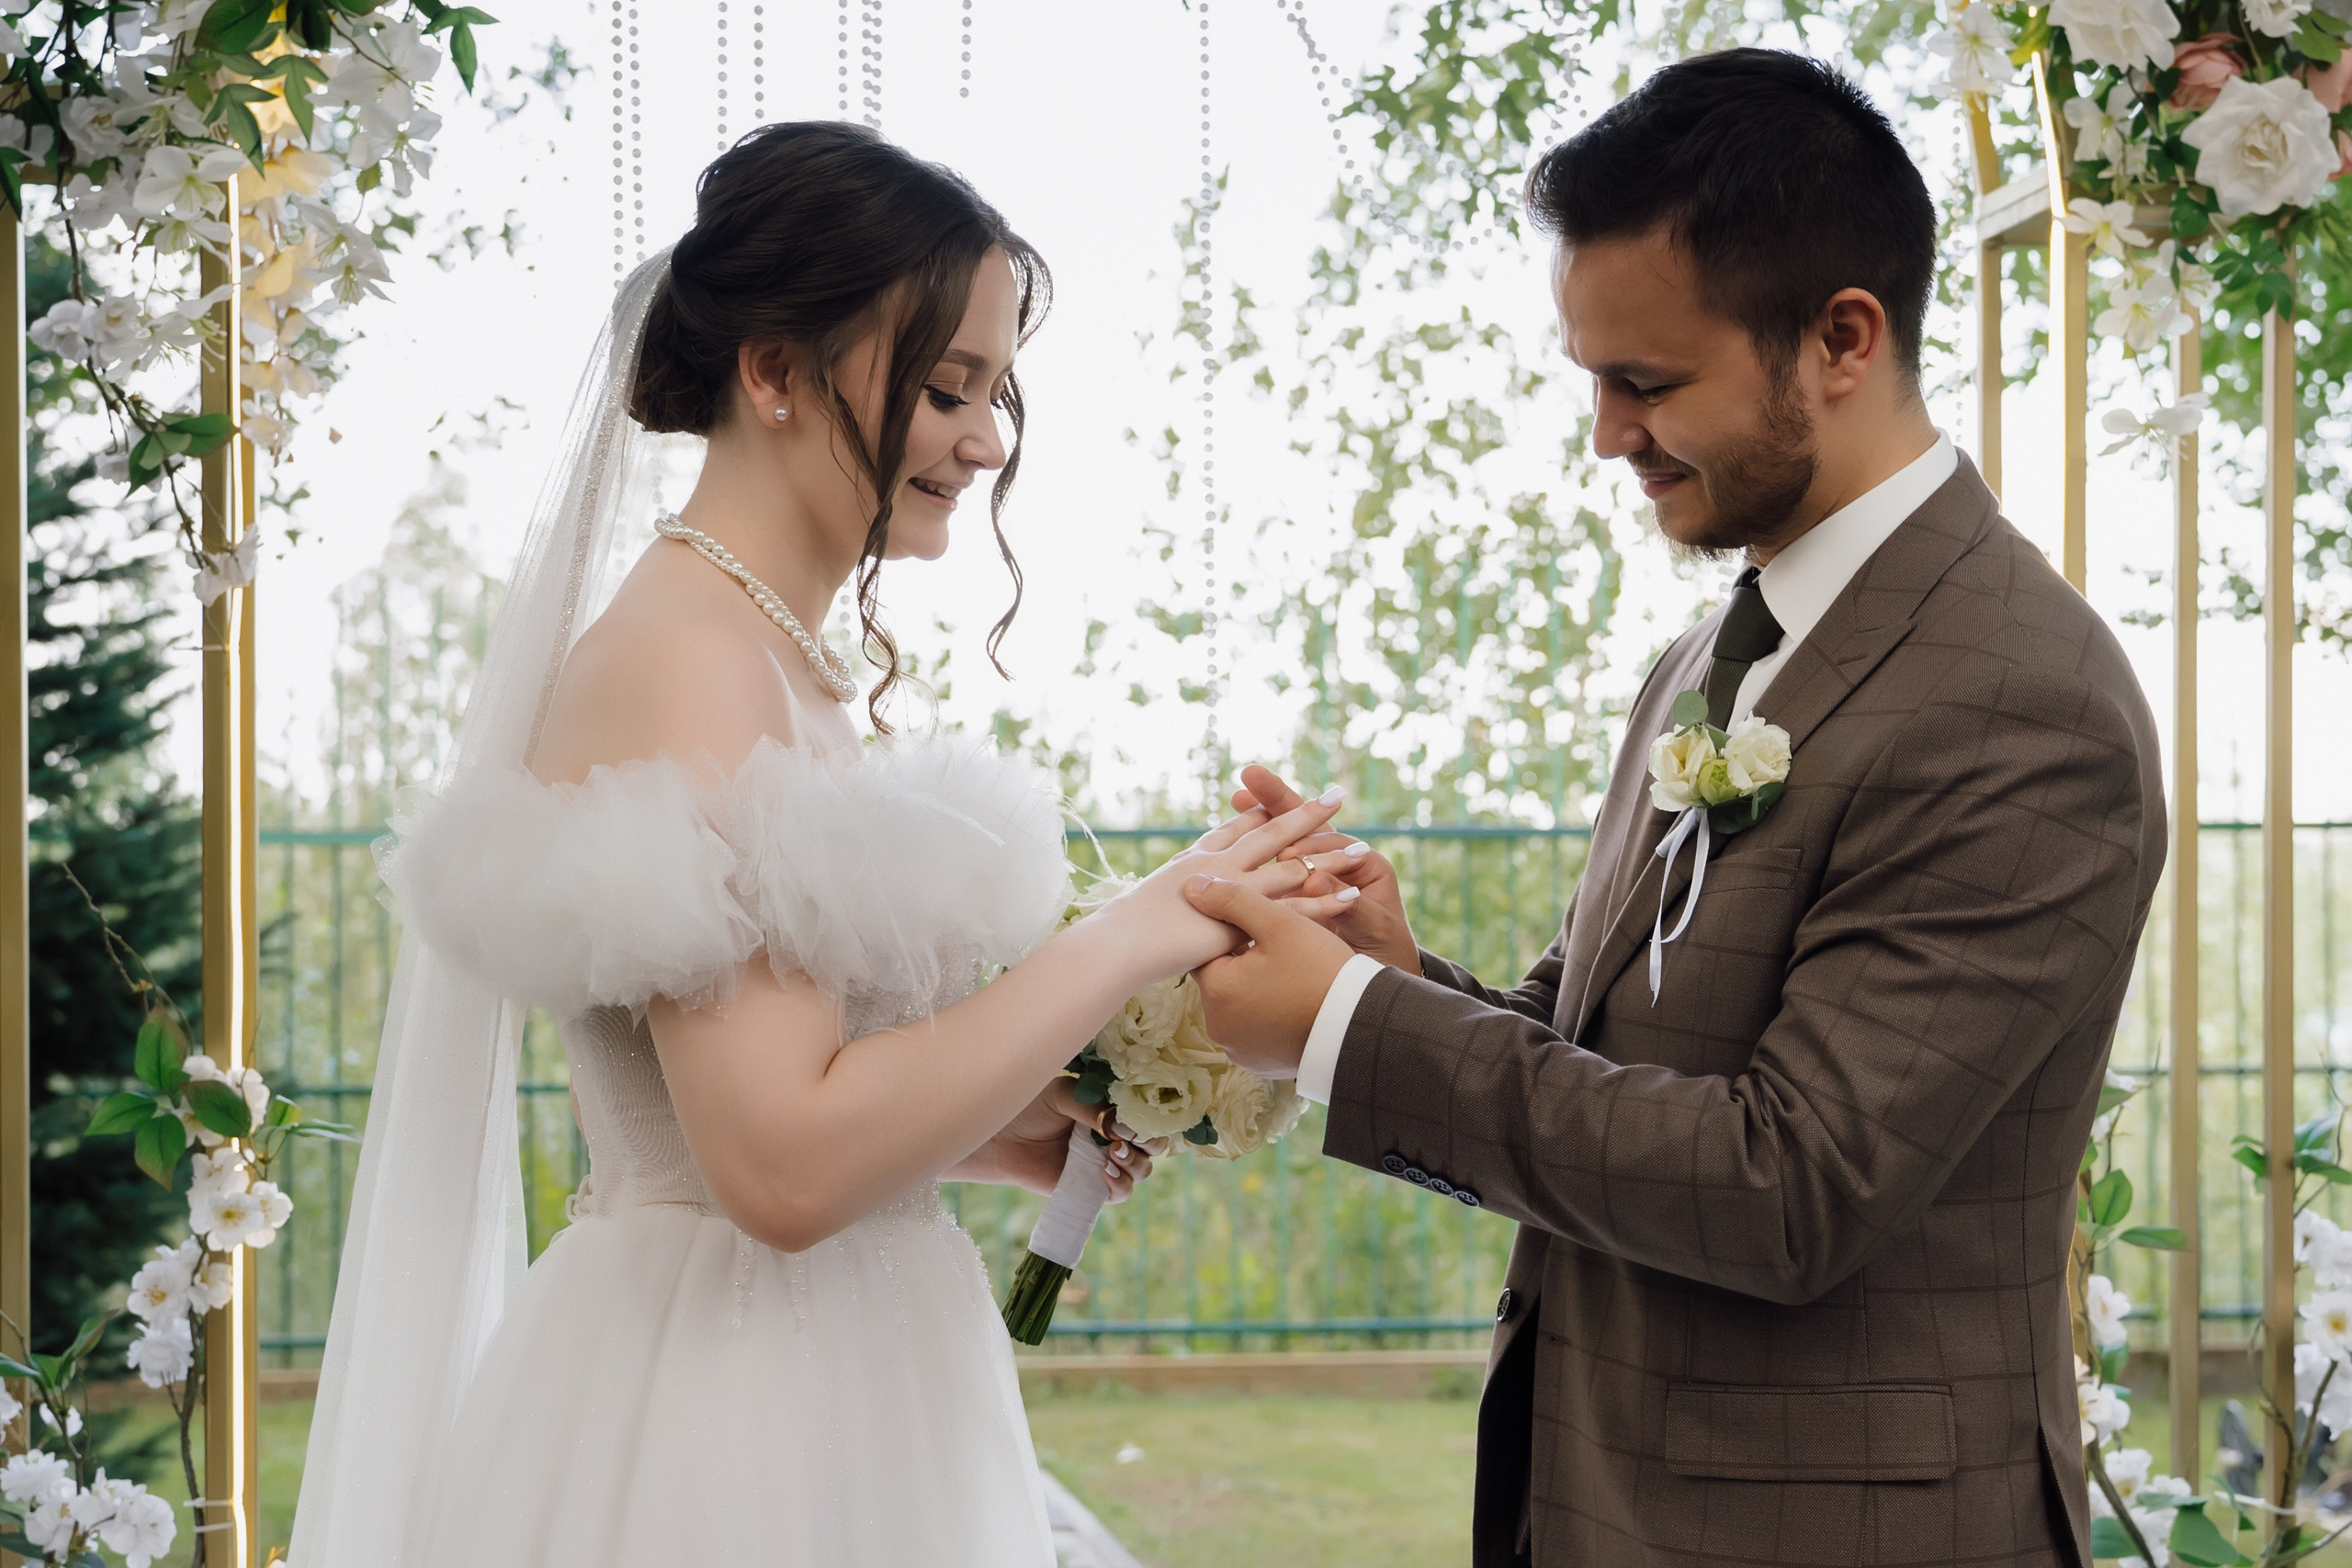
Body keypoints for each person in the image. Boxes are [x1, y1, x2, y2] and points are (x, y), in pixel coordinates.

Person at [287, 122, 1335, 1566]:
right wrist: (1134, 936)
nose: (986, 439)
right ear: (774, 370)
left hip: (817, 1369)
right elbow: (774, 1170)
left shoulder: (759, 656)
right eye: (948, 386)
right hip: (735, 1421)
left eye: (995, 389)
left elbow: (703, 1110)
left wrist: (1004, 1136)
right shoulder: (692, 666)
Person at [1182, 49, 2165, 1568]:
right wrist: (1384, 974)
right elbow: (1638, 1062)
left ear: (1842, 338)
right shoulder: (1716, 648)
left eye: (1646, 384)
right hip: (1602, 1498)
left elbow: (1789, 1185)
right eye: (1593, 380)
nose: (1606, 436)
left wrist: (1341, 1028)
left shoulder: (2024, 701)